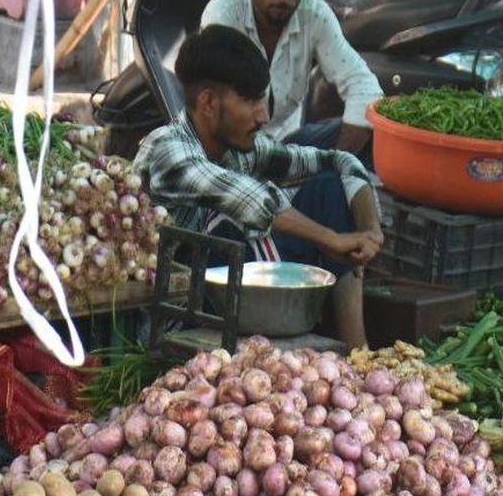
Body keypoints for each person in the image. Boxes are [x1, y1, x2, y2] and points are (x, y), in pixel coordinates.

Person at [133, 24, 383, 350]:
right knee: (233, 221)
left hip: (228, 291)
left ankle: (358, 351)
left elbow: (339, 160)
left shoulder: (238, 147)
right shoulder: (169, 151)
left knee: (328, 188)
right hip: (177, 313)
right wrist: (332, 239)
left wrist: (370, 229)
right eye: (251, 102)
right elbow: (251, 202)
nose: (263, 116)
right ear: (208, 103)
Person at [201, 0, 381, 164]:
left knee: (375, 132)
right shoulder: (224, 14)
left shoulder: (315, 15)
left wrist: (339, 163)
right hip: (231, 155)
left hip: (288, 148)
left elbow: (364, 88)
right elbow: (218, 112)